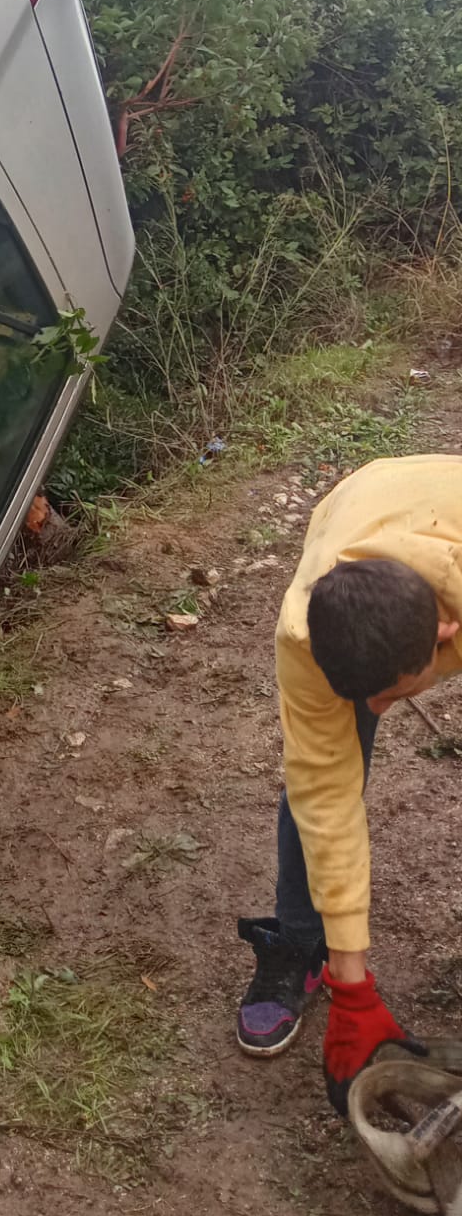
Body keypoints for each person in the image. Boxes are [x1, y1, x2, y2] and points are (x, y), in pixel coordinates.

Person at [236, 454, 462, 1112]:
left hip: (444, 501)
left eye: (396, 694)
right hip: (363, 499)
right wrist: (352, 983)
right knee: (319, 774)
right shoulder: (306, 633)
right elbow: (325, 794)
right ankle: (301, 943)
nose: (379, 709)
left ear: (445, 636)